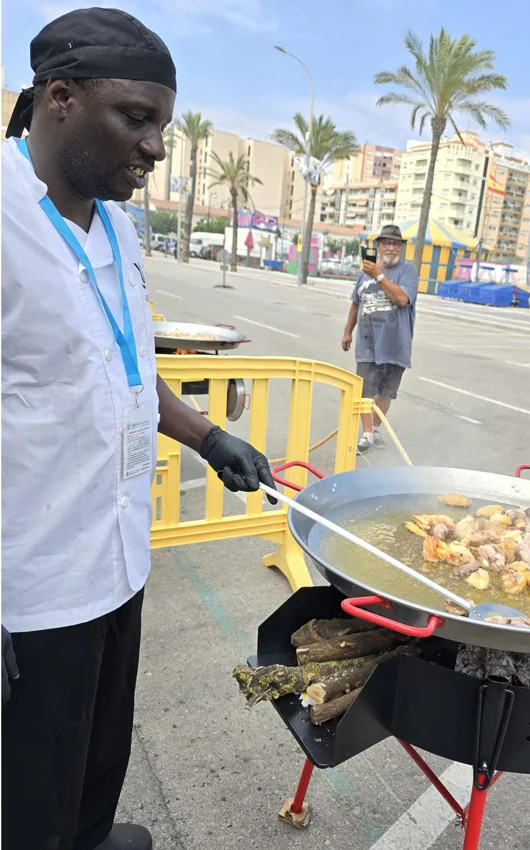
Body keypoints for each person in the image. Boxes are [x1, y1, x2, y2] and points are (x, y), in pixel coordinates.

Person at [1, 9, 276, 850]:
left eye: (163, 123)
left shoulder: (115, 227)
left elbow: (120, 367)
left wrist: (202, 435)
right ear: (59, 97)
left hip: (115, 554)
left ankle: (89, 835)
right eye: (136, 117)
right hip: (30, 586)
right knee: (27, 782)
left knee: (99, 746)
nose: (156, 146)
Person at [341, 224, 419, 453]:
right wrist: (347, 331)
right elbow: (356, 303)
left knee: (386, 392)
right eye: (386, 243)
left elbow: (402, 299)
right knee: (364, 391)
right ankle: (366, 435)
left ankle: (374, 429)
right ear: (378, 246)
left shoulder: (407, 271)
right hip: (367, 342)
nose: (391, 247)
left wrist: (379, 275)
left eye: (396, 244)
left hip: (395, 344)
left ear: (401, 248)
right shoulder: (364, 274)